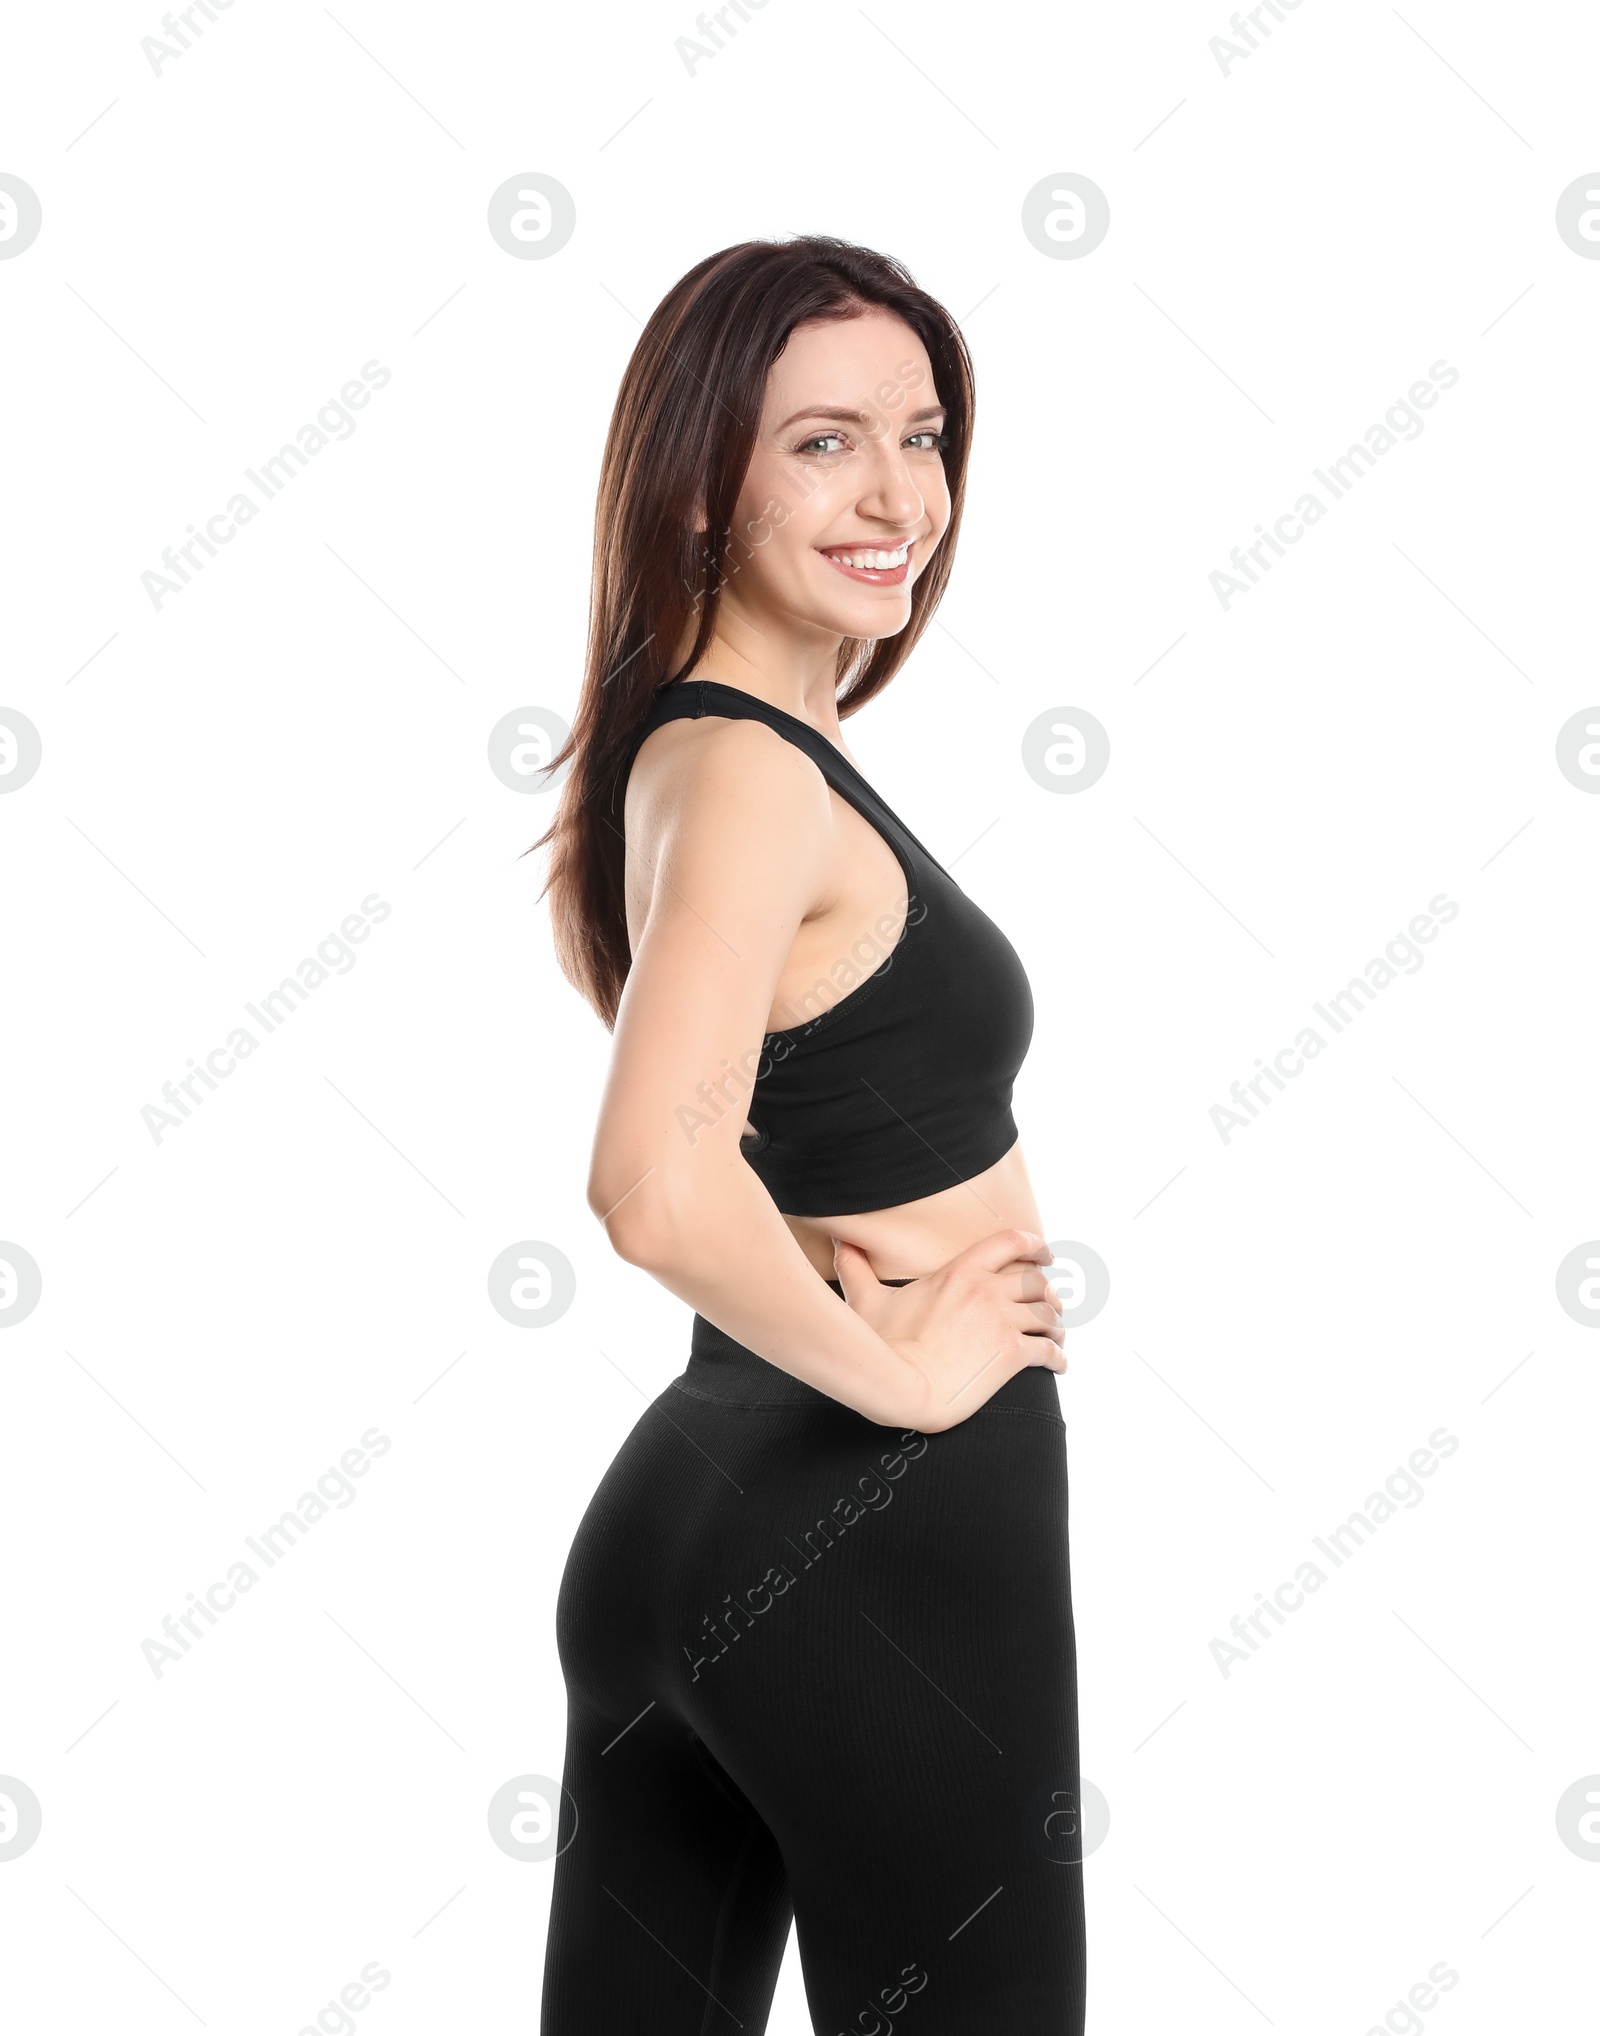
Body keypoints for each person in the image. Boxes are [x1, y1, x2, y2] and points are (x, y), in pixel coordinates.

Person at [535, 234, 1085, 2034]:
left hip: (696, 1513)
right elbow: (651, 1180)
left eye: (921, 436)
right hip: (881, 1542)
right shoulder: (757, 775)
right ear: (706, 477)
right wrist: (910, 1383)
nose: (898, 495)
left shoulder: (703, 749)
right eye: (825, 442)